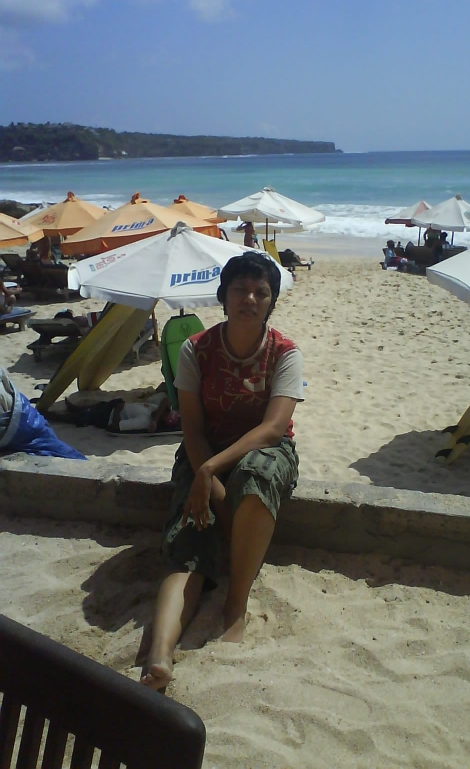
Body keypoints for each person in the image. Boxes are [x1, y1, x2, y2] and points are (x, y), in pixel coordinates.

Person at [140, 251, 304, 691]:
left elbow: (273, 428)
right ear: (224, 296)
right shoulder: (196, 350)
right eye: (240, 290)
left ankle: (236, 604)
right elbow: (192, 429)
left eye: (261, 292)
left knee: (256, 479)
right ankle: (159, 653)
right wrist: (206, 474)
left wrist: (212, 471)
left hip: (262, 451)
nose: (250, 299)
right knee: (188, 541)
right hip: (203, 451)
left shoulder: (285, 353)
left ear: (271, 301)